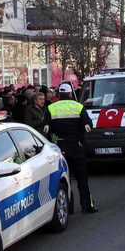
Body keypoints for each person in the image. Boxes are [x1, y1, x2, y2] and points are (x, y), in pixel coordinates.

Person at [43, 82, 97, 213]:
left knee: (64, 178)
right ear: (70, 93)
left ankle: (69, 208)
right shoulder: (78, 106)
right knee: (81, 178)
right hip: (77, 145)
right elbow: (88, 126)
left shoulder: (51, 107)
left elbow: (45, 128)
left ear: (59, 94)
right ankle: (87, 206)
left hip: (60, 147)